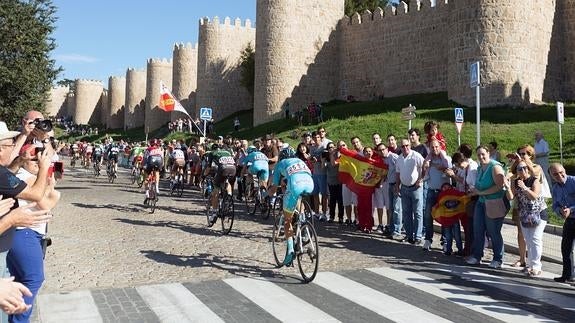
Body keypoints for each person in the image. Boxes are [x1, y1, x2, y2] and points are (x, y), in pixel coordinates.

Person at [7, 144, 61, 322]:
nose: (38, 163)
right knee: (34, 278)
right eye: (34, 160)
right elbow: (46, 207)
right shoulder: (27, 178)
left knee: (20, 280)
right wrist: (53, 192)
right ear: (24, 161)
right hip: (25, 232)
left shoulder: (22, 175)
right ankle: (19, 319)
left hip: (23, 233)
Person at [466, 145, 508, 269]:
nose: (481, 157)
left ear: (488, 153)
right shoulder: (480, 168)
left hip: (494, 203)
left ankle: (498, 258)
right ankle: (477, 256)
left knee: (493, 231)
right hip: (481, 202)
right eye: (478, 155)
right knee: (478, 230)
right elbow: (480, 185)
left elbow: (499, 186)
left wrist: (480, 193)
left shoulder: (495, 166)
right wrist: (475, 190)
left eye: (483, 154)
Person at [267, 157, 314, 265]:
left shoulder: (279, 165)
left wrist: (267, 193)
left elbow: (273, 189)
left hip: (296, 185)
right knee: (299, 198)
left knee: (287, 220)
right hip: (309, 183)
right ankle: (303, 222)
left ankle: (290, 251)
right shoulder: (299, 161)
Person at [510, 160, 547, 277]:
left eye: (525, 168)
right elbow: (511, 197)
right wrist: (508, 185)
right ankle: (530, 265)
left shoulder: (534, 180)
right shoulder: (516, 182)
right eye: (520, 169)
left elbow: (534, 197)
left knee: (535, 239)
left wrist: (525, 188)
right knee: (528, 240)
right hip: (525, 215)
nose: (523, 170)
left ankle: (536, 266)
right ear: (516, 172)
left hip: (538, 214)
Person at [422, 139, 452, 251]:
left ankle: (444, 241)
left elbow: (450, 170)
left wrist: (442, 168)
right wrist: (426, 165)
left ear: (440, 147)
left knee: (444, 216)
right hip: (431, 190)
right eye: (432, 147)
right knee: (428, 215)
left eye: (436, 147)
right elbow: (424, 171)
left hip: (444, 192)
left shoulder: (445, 159)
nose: (434, 149)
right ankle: (428, 239)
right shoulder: (428, 159)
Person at [394, 139, 425, 244]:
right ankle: (409, 235)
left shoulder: (416, 156)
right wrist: (397, 186)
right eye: (403, 146)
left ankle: (418, 236)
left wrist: (421, 179)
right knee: (406, 213)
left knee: (418, 213)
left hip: (415, 188)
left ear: (410, 145)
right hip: (404, 188)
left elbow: (425, 166)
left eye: (407, 145)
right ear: (400, 147)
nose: (405, 148)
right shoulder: (399, 158)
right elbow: (397, 173)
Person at [549, 163, 575, 283]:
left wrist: (571, 209)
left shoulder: (573, 181)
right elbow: (554, 205)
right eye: (555, 174)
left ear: (564, 170)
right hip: (569, 221)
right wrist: (560, 211)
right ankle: (567, 275)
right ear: (551, 176)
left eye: (561, 172)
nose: (559, 176)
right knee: (566, 248)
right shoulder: (555, 188)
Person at [204, 143, 236, 225]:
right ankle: (229, 197)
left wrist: (203, 176)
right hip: (233, 168)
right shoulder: (227, 152)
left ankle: (214, 213)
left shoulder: (212, 153)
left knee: (216, 189)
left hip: (223, 168)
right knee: (227, 182)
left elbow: (208, 167)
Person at [326, 142, 343, 223]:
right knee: (332, 200)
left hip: (339, 180)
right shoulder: (326, 156)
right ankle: (331, 217)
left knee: (340, 199)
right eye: (329, 148)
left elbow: (334, 164)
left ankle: (341, 217)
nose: (331, 149)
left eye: (332, 147)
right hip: (331, 181)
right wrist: (322, 161)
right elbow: (323, 167)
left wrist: (334, 154)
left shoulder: (339, 155)